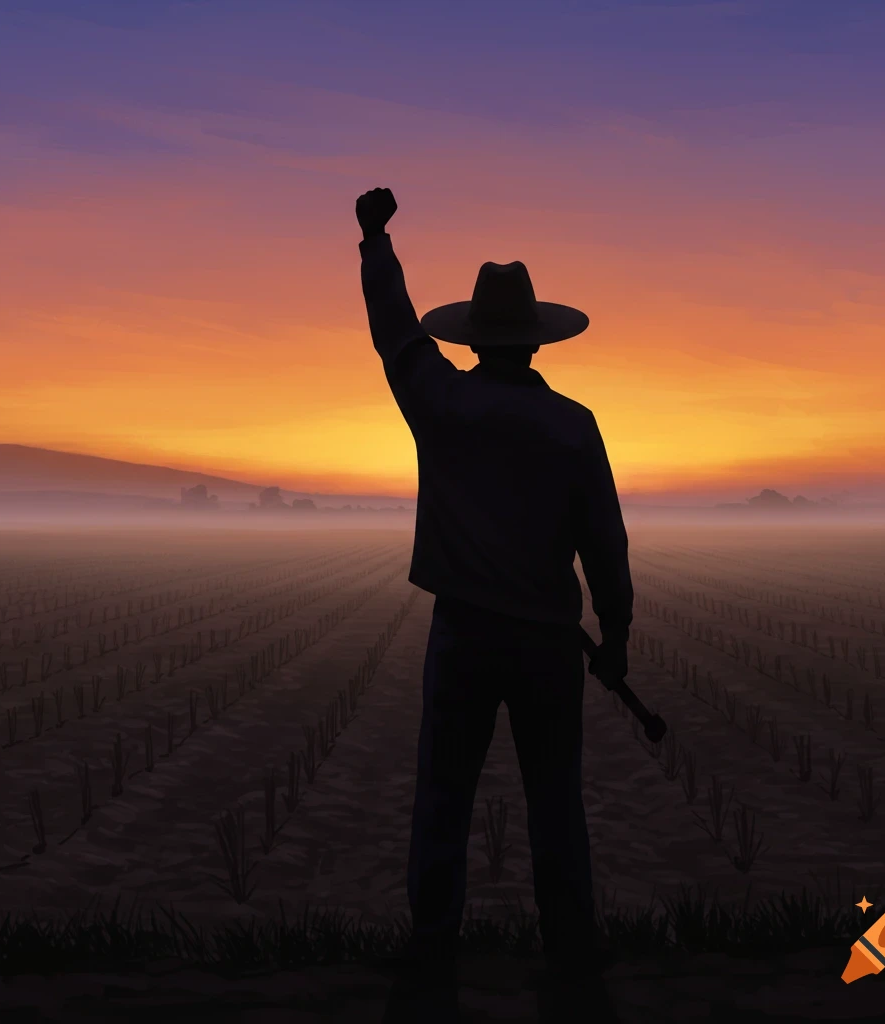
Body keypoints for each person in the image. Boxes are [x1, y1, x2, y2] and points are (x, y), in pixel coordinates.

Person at [356, 187, 632, 1005]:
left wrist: (376, 241)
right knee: (556, 803)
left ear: (474, 339)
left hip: (463, 635)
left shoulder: (442, 403)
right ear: (537, 343)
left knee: (444, 797)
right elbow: (605, 548)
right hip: (549, 643)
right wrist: (613, 638)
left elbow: (394, 332)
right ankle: (573, 953)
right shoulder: (574, 426)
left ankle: (432, 952)